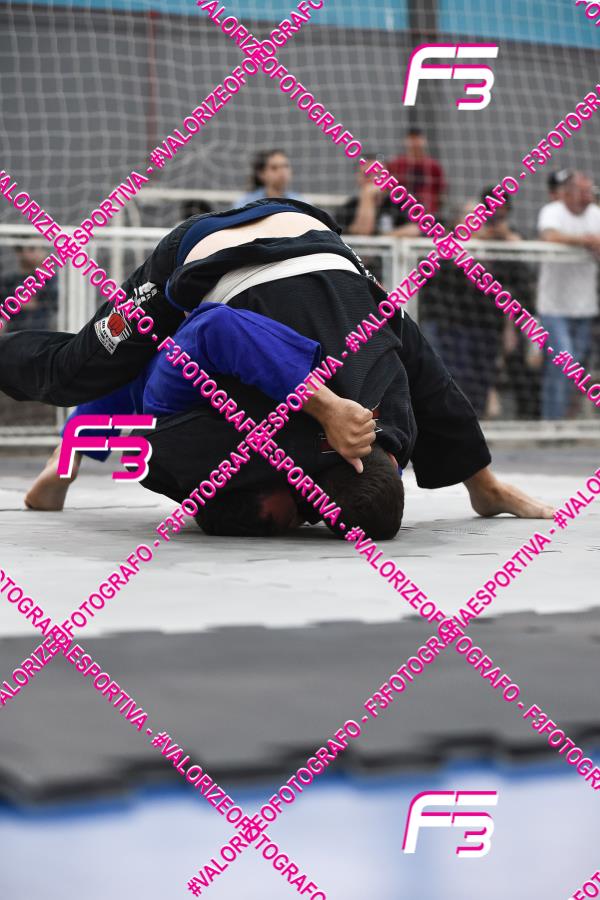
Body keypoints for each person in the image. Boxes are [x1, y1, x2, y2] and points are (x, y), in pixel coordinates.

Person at [2, 198, 553, 538]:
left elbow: (420, 359)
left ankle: (64, 458)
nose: (305, 518)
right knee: (75, 371)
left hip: (318, 238)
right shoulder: (330, 420)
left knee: (176, 369)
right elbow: (215, 327)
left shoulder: (386, 417)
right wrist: (327, 406)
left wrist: (483, 482)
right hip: (204, 253)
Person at [537, 171, 600, 419]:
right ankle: (552, 423)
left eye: (589, 191)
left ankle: (560, 422)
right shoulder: (552, 211)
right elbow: (550, 235)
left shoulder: (595, 214)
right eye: (582, 191)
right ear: (568, 192)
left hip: (585, 307)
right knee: (566, 362)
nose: (588, 196)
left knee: (574, 370)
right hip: (554, 307)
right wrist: (585, 241)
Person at [386, 128, 446, 216]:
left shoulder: (433, 165)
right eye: (411, 139)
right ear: (405, 141)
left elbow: (440, 191)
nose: (415, 143)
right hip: (402, 211)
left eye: (417, 139)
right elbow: (389, 187)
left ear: (424, 141)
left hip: (427, 212)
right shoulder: (396, 163)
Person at [0, 244, 58, 330]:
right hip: (15, 333)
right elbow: (3, 310)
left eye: (32, 249)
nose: (26, 253)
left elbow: (56, 303)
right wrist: (17, 303)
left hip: (41, 333)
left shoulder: (48, 279)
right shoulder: (9, 281)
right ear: (19, 253)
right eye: (21, 250)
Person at [235, 149, 304, 206]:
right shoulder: (246, 204)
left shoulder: (301, 203)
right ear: (261, 174)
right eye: (274, 168)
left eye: (285, 166)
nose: (282, 172)